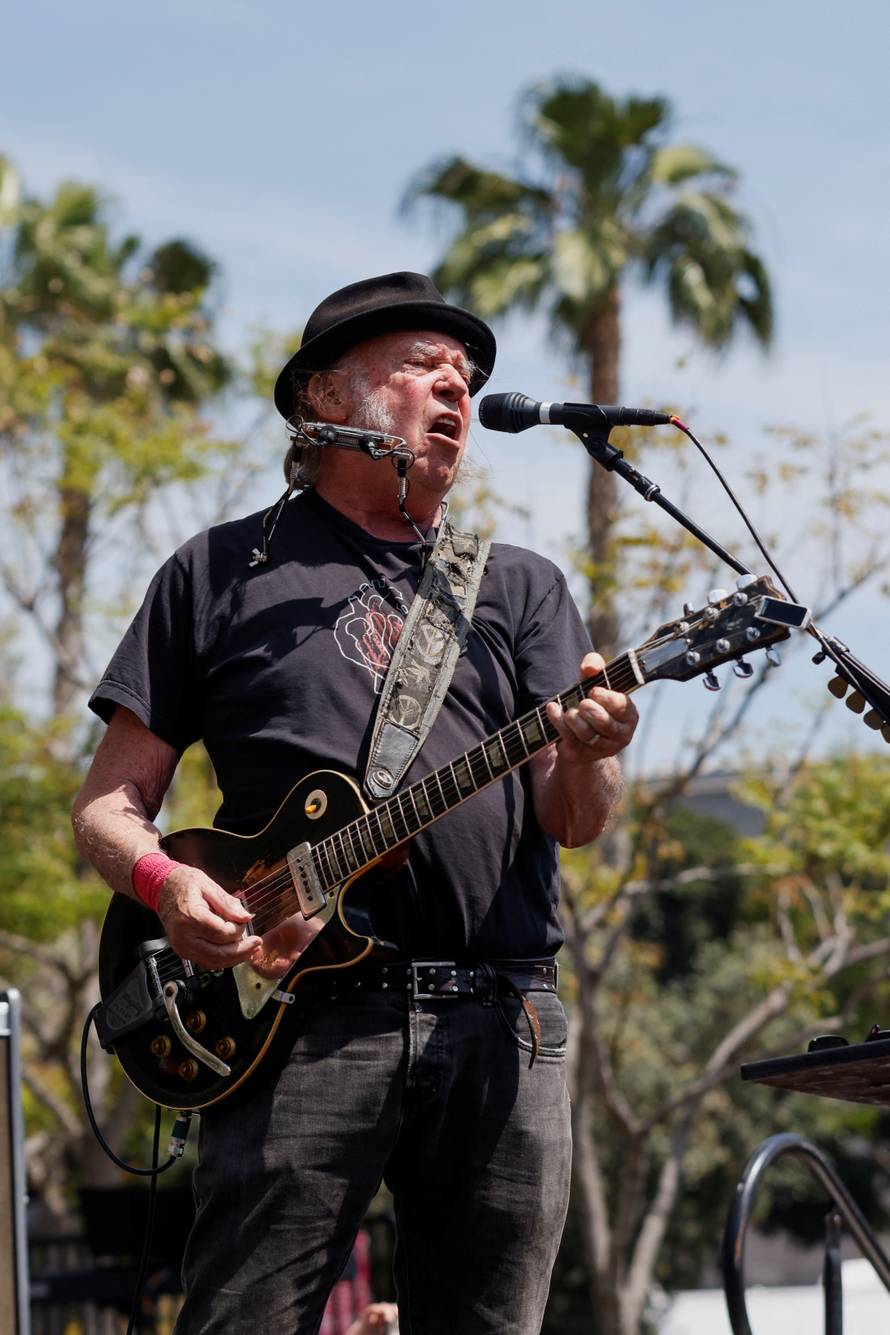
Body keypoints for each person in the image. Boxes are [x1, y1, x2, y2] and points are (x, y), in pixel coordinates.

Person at [71, 271, 639, 1334]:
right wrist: (164, 884)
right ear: (326, 399)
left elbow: (574, 818)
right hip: (299, 1022)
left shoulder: (515, 584)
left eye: (464, 377)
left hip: (500, 1016)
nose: (455, 392)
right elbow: (106, 807)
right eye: (423, 367)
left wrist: (592, 753)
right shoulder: (219, 572)